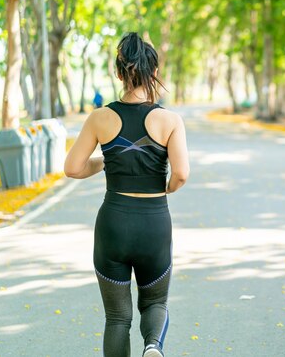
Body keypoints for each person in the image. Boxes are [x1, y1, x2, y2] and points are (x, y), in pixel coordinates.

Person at [64, 32, 190, 357]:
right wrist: (167, 189)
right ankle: (153, 346)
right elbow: (181, 173)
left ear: (119, 73)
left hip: (113, 225)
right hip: (154, 223)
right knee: (156, 302)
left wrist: (106, 162)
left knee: (117, 318)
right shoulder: (170, 120)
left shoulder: (99, 118)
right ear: (155, 74)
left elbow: (73, 168)